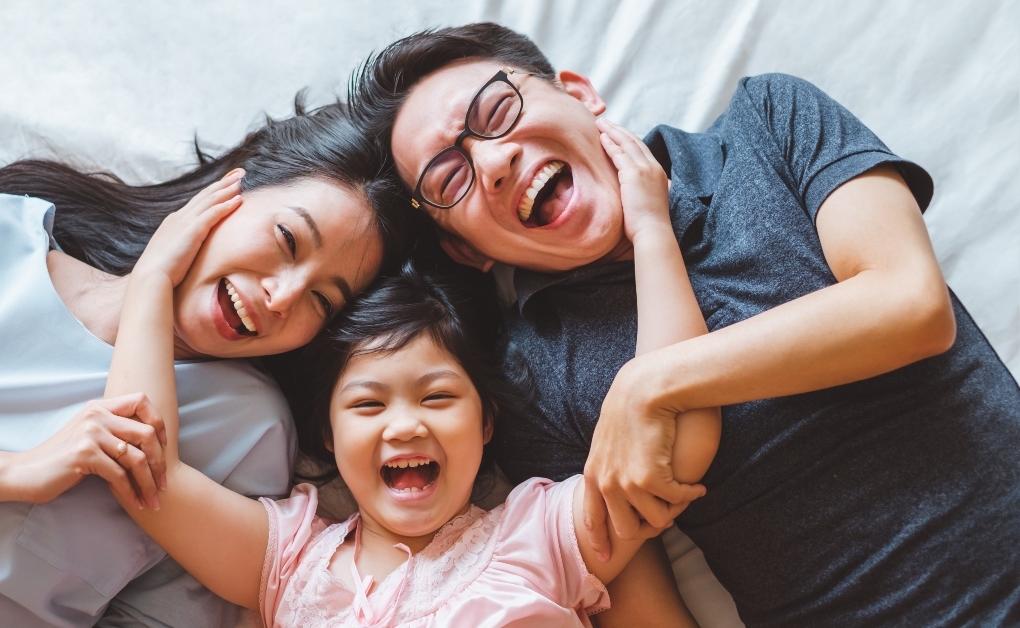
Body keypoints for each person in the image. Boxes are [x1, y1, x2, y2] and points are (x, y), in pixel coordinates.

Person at [346, 22, 1020, 626]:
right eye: (448, 178)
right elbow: (635, 600)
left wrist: (650, 384)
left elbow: (910, 306)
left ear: (580, 94)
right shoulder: (532, 381)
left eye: (498, 111)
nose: (493, 164)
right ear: (467, 250)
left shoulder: (770, 121)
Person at [0, 103, 415, 627]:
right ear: (230, 191)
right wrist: (15, 472)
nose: (282, 296)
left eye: (322, 300)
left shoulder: (248, 430)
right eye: (287, 239)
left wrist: (154, 284)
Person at [95, 124, 717, 623]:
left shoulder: (540, 535)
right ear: (330, 439)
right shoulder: (287, 559)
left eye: (438, 396)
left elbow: (675, 434)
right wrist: (153, 279)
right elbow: (144, 467)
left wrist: (651, 233)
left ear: (486, 422)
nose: (404, 426)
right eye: (368, 405)